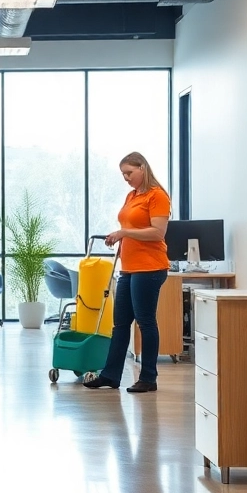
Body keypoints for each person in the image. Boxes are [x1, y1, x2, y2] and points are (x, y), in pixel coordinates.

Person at [83, 152, 170, 394]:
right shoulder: (132, 195)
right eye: (123, 174)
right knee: (120, 324)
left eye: (129, 173)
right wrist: (118, 235)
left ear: (142, 167)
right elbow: (130, 227)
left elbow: (157, 233)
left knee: (145, 321)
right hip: (130, 267)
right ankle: (111, 375)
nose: (126, 178)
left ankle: (149, 378)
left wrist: (124, 233)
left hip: (150, 267)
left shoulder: (158, 196)